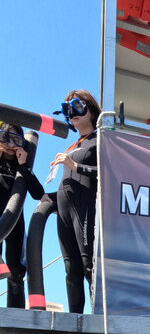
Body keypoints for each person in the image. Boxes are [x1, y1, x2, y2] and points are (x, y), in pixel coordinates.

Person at [51, 90, 101, 314]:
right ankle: (74, 322)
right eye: (68, 110)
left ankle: (97, 321)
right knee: (70, 268)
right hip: (64, 211)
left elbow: (109, 172)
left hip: (86, 209)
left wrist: (76, 166)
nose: (73, 114)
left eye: (78, 106)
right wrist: (49, 197)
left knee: (88, 266)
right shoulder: (75, 145)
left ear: (91, 109)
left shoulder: (101, 139)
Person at [0, 123, 45, 308]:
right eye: (6, 137)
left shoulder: (20, 167)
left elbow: (37, 193)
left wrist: (24, 165)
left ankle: (16, 313)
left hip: (14, 221)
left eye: (16, 139)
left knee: (16, 270)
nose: (11, 144)